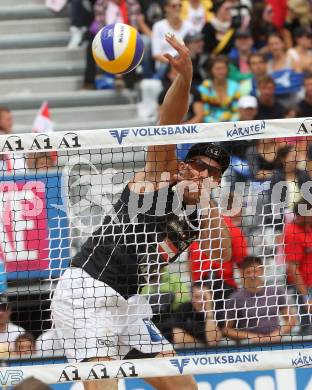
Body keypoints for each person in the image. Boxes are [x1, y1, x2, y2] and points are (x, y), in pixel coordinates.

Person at [51, 35, 232, 390]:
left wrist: (208, 201)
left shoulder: (202, 213)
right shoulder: (157, 180)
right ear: (182, 165)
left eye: (212, 171)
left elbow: (220, 252)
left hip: (129, 305)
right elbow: (167, 126)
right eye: (197, 164)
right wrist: (185, 79)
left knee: (185, 387)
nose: (202, 173)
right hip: (88, 293)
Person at [224, 256, 296, 343]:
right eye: (248, 272)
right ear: (242, 274)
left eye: (255, 271)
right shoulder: (235, 298)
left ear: (262, 271)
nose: (252, 275)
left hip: (276, 342)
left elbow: (291, 320)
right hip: (249, 345)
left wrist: (278, 333)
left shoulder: (276, 292)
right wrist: (250, 336)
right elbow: (227, 329)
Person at [284, 199, 312, 335]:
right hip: (304, 288)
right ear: (302, 215)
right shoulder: (292, 233)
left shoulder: (308, 227)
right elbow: (293, 268)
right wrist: (305, 297)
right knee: (308, 328)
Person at [152, 0, 193, 70]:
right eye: (174, 6)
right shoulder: (158, 26)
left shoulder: (189, 26)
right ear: (166, 8)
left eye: (180, 5)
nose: (178, 8)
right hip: (165, 66)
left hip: (185, 65)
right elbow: (156, 55)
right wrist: (174, 64)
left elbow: (192, 50)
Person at [199, 55, 241, 123]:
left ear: (227, 69)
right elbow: (204, 113)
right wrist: (218, 125)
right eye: (218, 69)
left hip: (232, 125)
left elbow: (237, 110)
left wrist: (231, 123)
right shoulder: (204, 87)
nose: (221, 71)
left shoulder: (235, 85)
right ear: (211, 70)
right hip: (211, 126)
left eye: (223, 68)